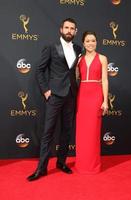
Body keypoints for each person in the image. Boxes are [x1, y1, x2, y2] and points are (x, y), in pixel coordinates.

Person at [27, 18, 81, 181]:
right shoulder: (51, 47)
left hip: (71, 95)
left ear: (75, 32)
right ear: (61, 29)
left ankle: (61, 162)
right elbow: (40, 70)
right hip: (54, 95)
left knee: (66, 131)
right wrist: (45, 91)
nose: (69, 31)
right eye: (66, 28)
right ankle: (41, 168)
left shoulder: (79, 49)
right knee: (48, 132)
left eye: (72, 28)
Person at [75, 31, 108, 174]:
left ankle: (93, 165)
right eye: (88, 41)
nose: (90, 43)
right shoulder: (79, 59)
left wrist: (105, 100)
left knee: (93, 131)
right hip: (82, 95)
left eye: (93, 40)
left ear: (97, 42)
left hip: (96, 95)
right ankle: (81, 165)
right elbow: (75, 78)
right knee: (82, 131)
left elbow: (105, 79)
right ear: (83, 43)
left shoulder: (102, 58)